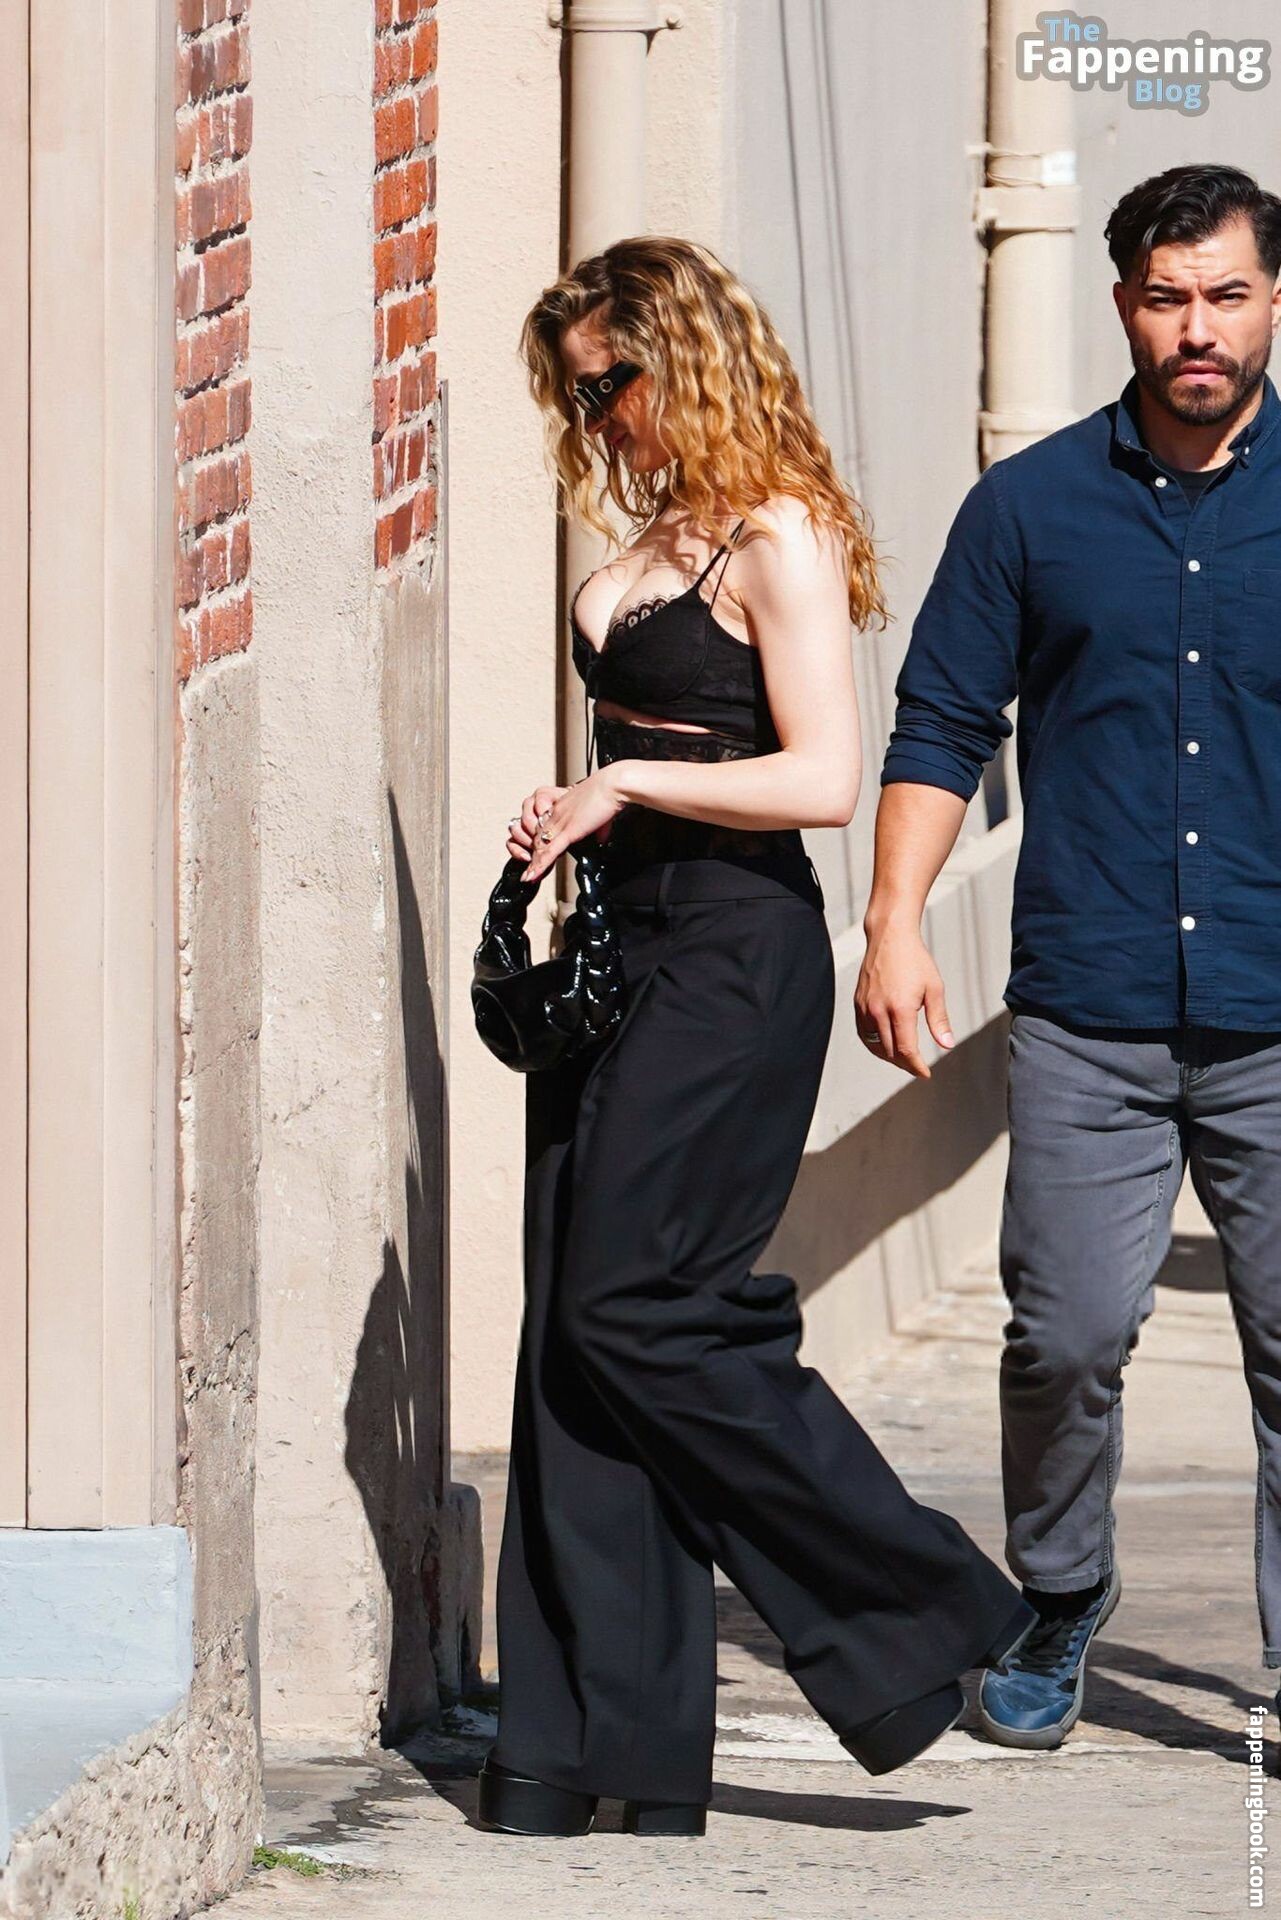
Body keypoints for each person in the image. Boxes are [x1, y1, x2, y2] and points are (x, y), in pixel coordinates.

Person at [477, 235, 1035, 1839]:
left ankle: (928, 1604)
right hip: (621, 946)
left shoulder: (774, 530)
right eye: (577, 392)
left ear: (688, 358)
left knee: (636, 1304)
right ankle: (593, 1754)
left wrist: (627, 782)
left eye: (613, 383)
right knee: (570, 1339)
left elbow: (822, 778)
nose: (598, 416)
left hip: (734, 954)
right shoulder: (656, 530)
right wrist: (579, 817)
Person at [858, 163, 1281, 1752]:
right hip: (1088, 1008)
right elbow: (941, 722)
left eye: (1225, 295)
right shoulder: (1027, 508)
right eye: (1167, 298)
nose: (1197, 329)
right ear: (1123, 306)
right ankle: (1057, 1592)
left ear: (1272, 302)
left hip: (1277, 1012)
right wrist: (892, 921)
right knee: (1064, 1335)